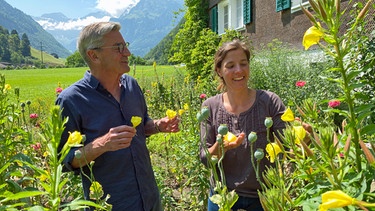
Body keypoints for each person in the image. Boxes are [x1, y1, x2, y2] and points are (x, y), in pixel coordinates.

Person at [56, 21, 179, 211]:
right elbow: (66, 160)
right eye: (118, 48)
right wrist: (102, 144)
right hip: (111, 204)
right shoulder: (71, 100)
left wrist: (157, 126)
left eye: (125, 46)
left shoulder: (132, 86)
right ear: (93, 55)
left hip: (150, 198)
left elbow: (142, 126)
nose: (127, 53)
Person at [199, 39, 310, 211]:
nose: (238, 70)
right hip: (223, 197)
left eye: (243, 63)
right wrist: (221, 147)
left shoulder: (269, 101)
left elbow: (289, 146)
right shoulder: (210, 107)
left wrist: (305, 138)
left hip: (264, 197)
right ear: (219, 71)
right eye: (230, 66)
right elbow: (205, 158)